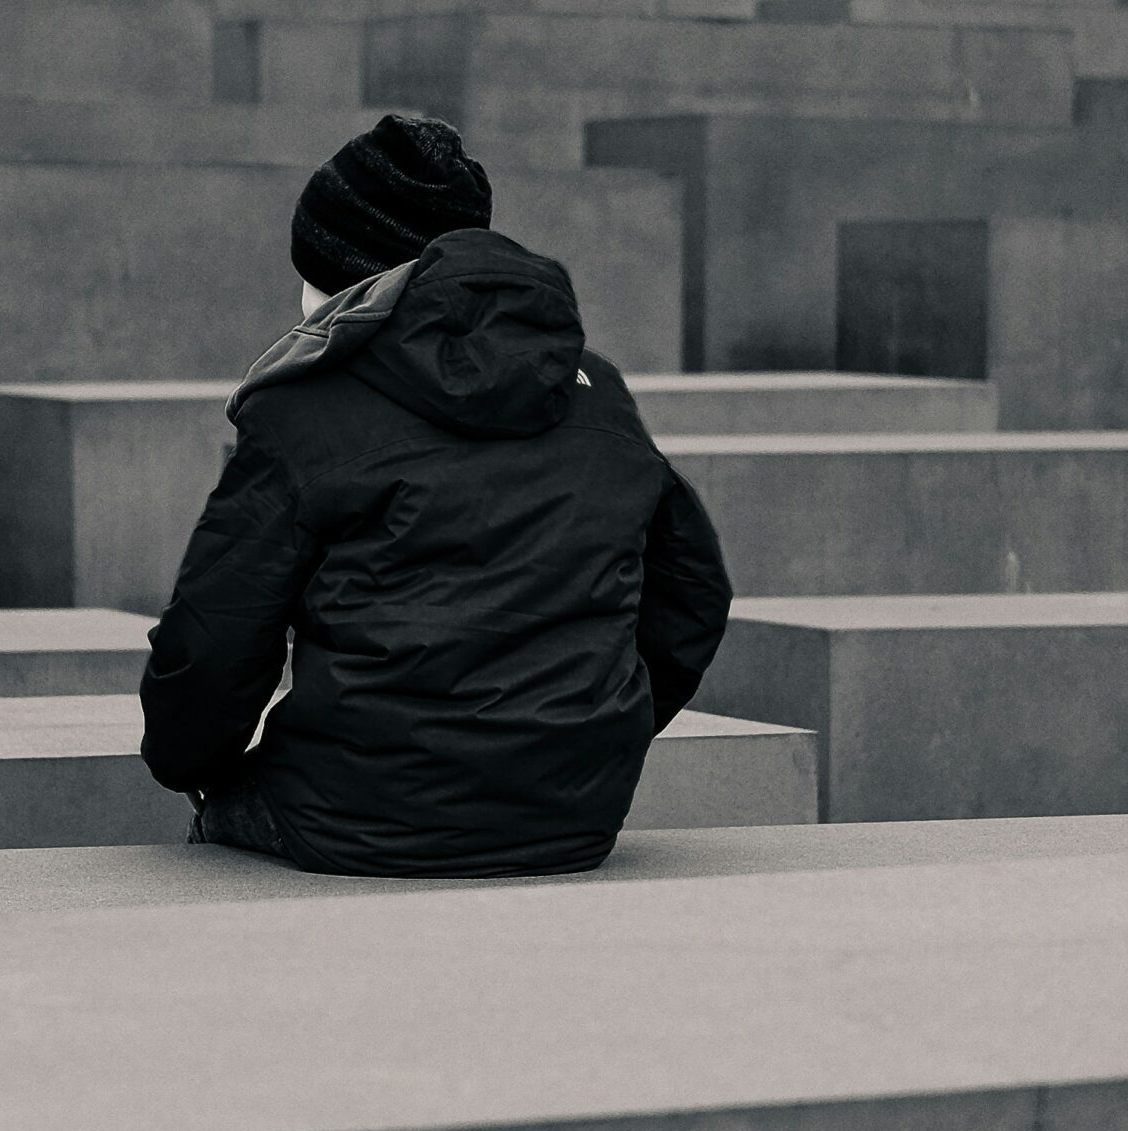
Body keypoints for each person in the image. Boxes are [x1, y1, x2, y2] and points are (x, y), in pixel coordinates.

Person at [140, 114, 734, 878]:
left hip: (356, 819)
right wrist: (590, 732)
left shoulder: (303, 409)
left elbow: (215, 636)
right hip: (574, 815)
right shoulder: (595, 390)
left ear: (345, 279)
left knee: (211, 843)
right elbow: (693, 592)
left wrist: (188, 764)